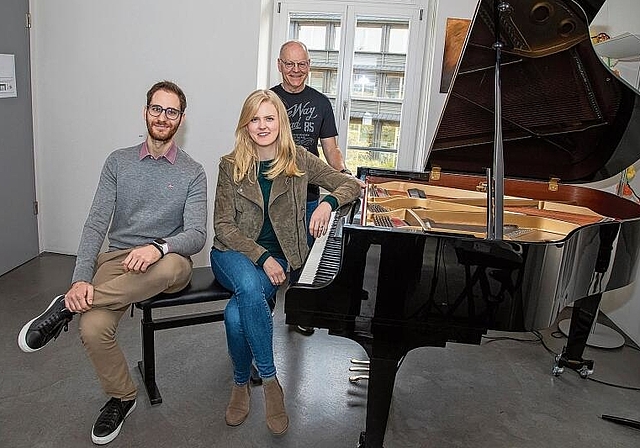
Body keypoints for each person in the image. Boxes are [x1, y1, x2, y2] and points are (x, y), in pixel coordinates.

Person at [17, 81, 207, 445]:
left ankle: (65, 311)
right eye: (156, 108)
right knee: (92, 330)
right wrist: (79, 279)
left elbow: (197, 234)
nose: (162, 117)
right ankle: (122, 396)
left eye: (171, 111)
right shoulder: (118, 162)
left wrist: (159, 247)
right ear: (145, 111)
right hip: (118, 262)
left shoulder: (192, 171)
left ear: (181, 120)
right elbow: (95, 224)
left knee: (169, 267)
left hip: (168, 262)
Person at [210, 89, 360, 435]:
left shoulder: (299, 160)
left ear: (280, 121)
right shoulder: (230, 165)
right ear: (245, 125)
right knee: (248, 286)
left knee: (236, 313)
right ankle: (271, 380)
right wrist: (261, 257)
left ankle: (238, 383)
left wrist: (327, 204)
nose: (262, 126)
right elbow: (223, 226)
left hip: (279, 257)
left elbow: (348, 184)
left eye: (269, 118)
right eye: (255, 119)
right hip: (232, 254)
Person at [272, 39, 359, 335]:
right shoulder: (267, 102)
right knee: (271, 254)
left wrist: (343, 173)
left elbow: (331, 149)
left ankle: (299, 311)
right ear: (279, 65)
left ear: (309, 66)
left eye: (302, 64)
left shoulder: (321, 103)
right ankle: (263, 310)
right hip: (274, 194)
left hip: (309, 195)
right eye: (290, 64)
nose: (296, 70)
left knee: (303, 256)